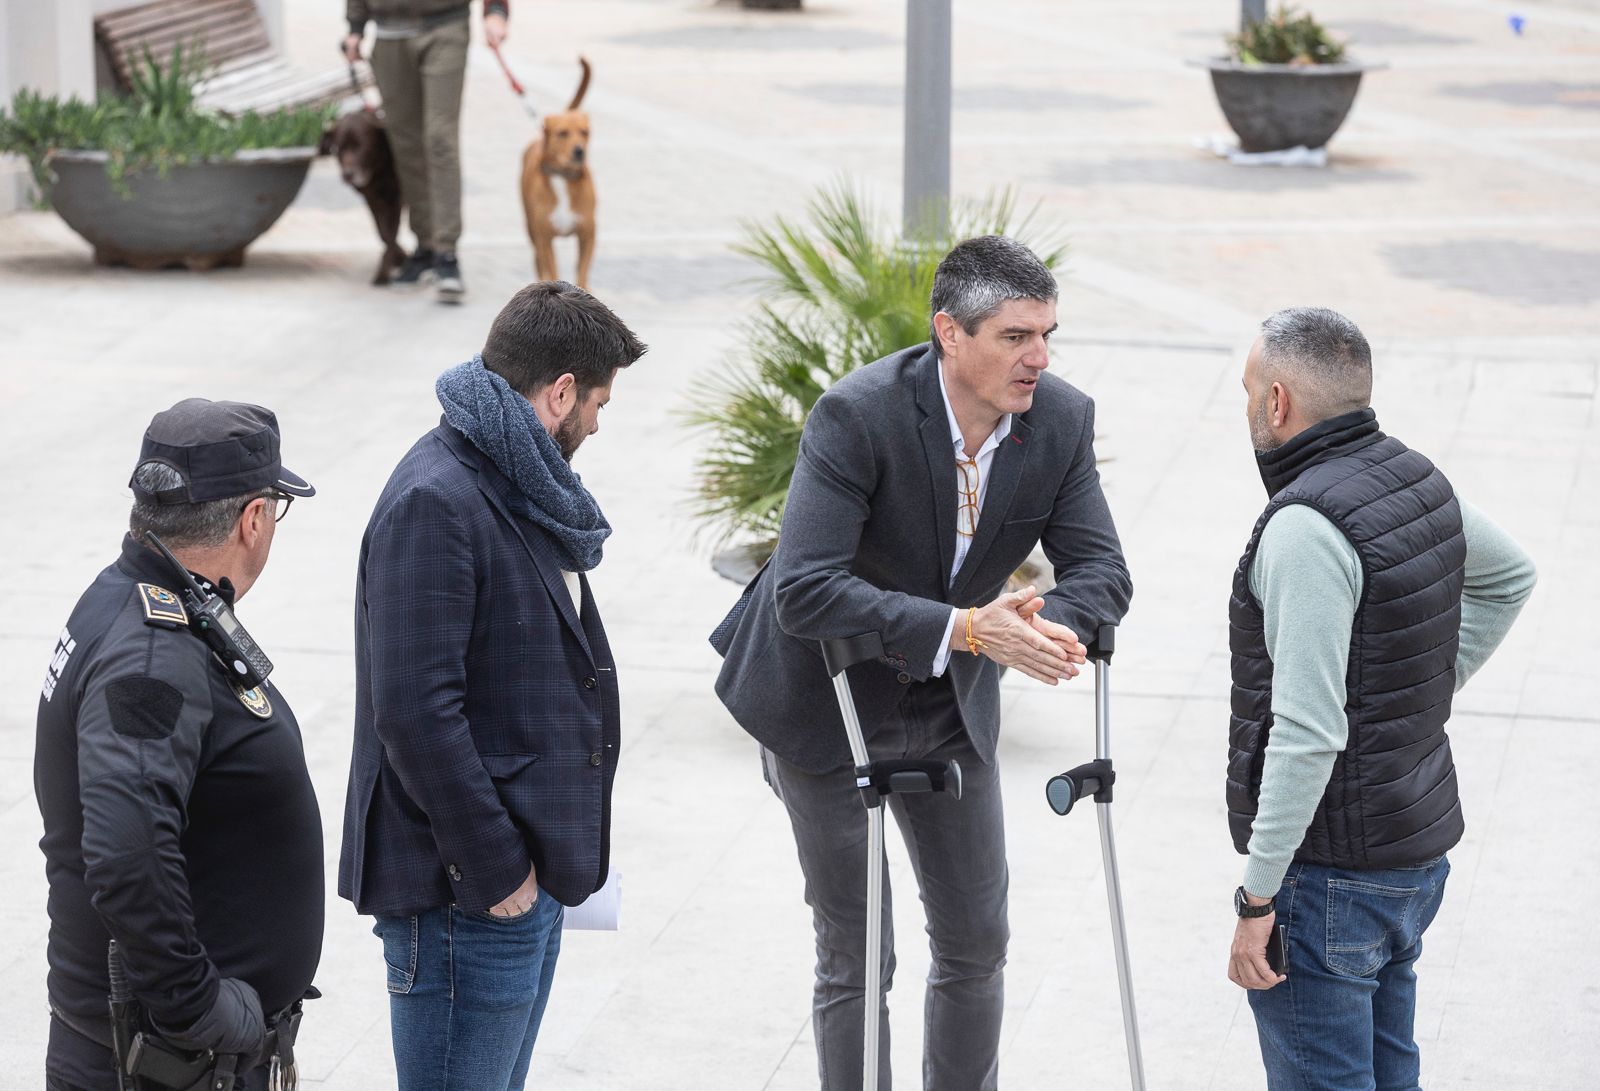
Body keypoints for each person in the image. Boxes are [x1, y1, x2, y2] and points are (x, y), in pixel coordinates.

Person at [711, 235, 1134, 1091]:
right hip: (822, 697)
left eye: (1048, 333)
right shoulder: (856, 414)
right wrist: (970, 627)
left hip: (950, 699)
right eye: (1016, 336)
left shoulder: (1058, 418)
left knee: (978, 939)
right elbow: (805, 590)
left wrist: (1034, 625)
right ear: (950, 332)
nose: (1039, 358)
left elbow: (1103, 571)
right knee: (859, 948)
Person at [340, 280, 646, 1091]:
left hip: (519, 884)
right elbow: (413, 712)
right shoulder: (435, 499)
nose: (596, 426)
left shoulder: (512, 476)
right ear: (560, 393)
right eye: (598, 405)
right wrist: (501, 875)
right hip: (465, 899)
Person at [1223, 308, 1537, 1089]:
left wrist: (1257, 896)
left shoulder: (1304, 528)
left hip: (1329, 875)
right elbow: (1509, 575)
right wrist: (1415, 690)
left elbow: (1306, 729)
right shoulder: (1414, 475)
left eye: (1249, 387)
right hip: (1411, 856)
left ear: (1278, 403)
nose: (1247, 403)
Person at [35, 399, 323, 1091]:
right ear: (253, 519)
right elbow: (127, 856)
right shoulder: (152, 654)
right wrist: (201, 1009)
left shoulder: (133, 595)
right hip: (167, 1067)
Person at [343, 0, 509, 303]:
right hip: (389, 36)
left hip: (444, 26)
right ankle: (426, 245)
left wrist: (496, 11)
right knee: (405, 144)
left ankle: (447, 253)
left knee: (439, 138)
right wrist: (355, 27)